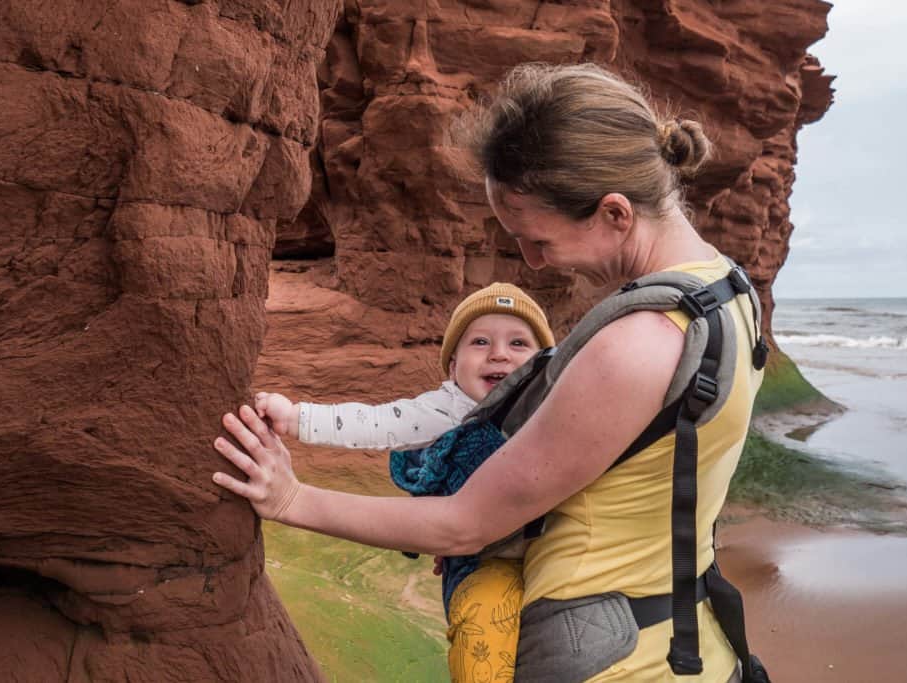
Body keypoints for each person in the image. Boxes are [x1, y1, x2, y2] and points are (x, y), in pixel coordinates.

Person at [213, 62, 764, 682]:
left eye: (539, 240)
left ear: (615, 213)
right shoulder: (728, 291)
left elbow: (464, 525)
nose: (533, 261)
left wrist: (291, 498)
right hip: (692, 644)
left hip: (614, 664)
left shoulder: (637, 344)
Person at [254, 282, 556, 683]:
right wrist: (296, 418)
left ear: (547, 364)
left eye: (518, 343)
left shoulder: (557, 405)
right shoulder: (448, 410)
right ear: (453, 367)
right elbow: (377, 423)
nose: (499, 353)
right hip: (488, 561)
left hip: (556, 548)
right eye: (480, 342)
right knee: (482, 633)